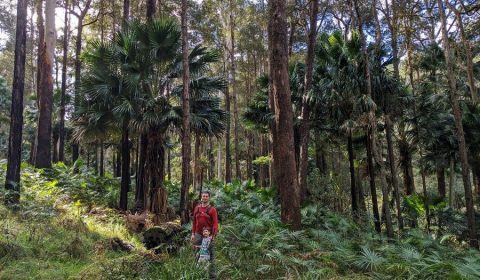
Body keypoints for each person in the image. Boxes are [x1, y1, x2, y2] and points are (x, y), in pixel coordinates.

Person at [191, 191, 218, 279]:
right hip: (198, 234)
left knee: (211, 255)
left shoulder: (212, 209)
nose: (205, 198)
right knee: (196, 253)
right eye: (203, 196)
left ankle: (212, 276)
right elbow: (194, 222)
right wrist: (193, 233)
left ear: (209, 198)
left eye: (206, 196)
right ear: (201, 197)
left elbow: (215, 223)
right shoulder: (197, 208)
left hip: (208, 236)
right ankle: (197, 273)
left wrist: (213, 236)